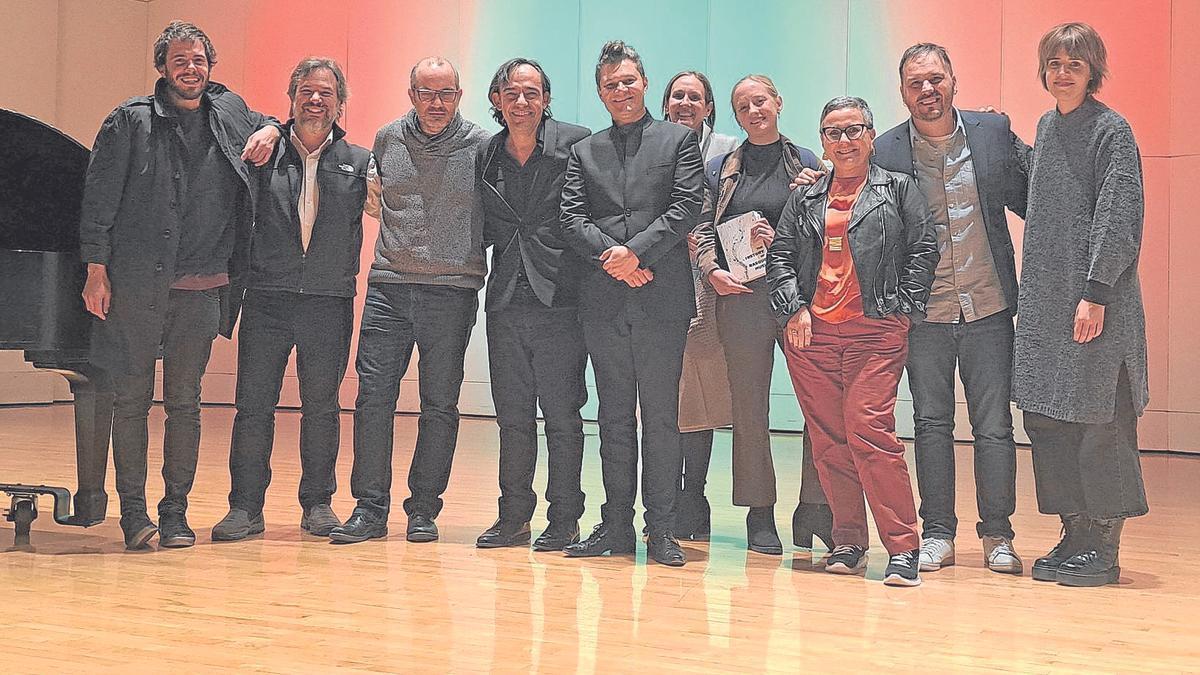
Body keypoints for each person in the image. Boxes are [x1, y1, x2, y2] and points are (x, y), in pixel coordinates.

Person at [79, 20, 281, 550]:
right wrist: (95, 271)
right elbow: (97, 203)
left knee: (186, 405)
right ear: (162, 68)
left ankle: (175, 513)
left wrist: (273, 129)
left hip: (204, 288)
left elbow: (270, 120)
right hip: (137, 286)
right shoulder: (130, 122)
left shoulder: (229, 111)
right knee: (130, 401)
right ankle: (134, 515)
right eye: (179, 61)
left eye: (198, 61)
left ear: (210, 66)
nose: (190, 70)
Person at [872, 43, 1030, 575]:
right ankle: (937, 531)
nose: (927, 90)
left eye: (935, 79)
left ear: (953, 81)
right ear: (903, 92)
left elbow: (1035, 199)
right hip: (925, 314)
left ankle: (998, 535)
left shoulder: (992, 133)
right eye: (915, 83)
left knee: (994, 427)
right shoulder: (887, 151)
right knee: (931, 422)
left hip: (988, 307)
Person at [767, 96, 938, 586]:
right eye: (833, 132)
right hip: (812, 338)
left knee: (869, 430)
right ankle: (848, 540)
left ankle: (904, 547)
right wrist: (793, 307)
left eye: (853, 130)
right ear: (822, 140)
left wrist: (902, 308)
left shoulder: (898, 189)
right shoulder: (806, 197)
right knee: (829, 440)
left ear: (870, 135)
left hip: (874, 334)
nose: (844, 140)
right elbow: (780, 255)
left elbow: (924, 248)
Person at [330, 57, 490, 544]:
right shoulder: (386, 138)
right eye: (426, 93)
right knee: (372, 399)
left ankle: (423, 509)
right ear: (411, 94)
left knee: (438, 404)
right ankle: (369, 509)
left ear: (460, 96)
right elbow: (378, 203)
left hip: (452, 291)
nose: (435, 103)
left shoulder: (483, 146)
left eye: (445, 94)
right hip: (388, 288)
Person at [211, 58, 371, 541]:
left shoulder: (360, 162)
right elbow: (223, 105)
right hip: (267, 298)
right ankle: (245, 507)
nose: (315, 100)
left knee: (321, 406)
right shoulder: (263, 154)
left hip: (328, 301)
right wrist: (268, 129)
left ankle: (319, 503)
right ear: (292, 98)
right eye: (305, 91)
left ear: (340, 102)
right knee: (252, 405)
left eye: (325, 92)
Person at [560, 41, 704, 566]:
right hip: (603, 302)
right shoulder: (584, 151)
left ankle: (661, 529)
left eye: (628, 81)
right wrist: (614, 258)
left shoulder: (678, 140)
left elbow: (686, 205)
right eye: (610, 85)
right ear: (600, 93)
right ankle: (616, 525)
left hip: (661, 298)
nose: (621, 91)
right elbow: (572, 218)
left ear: (645, 82)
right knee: (614, 417)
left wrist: (635, 253)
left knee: (661, 418)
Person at [1016, 22, 1148, 587]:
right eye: (1054, 63)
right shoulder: (1047, 127)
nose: (1062, 72)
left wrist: (1095, 293)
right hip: (1045, 307)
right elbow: (1043, 203)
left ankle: (1106, 546)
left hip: (1097, 305)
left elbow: (1118, 217)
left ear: (1093, 71)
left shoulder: (1111, 131)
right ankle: (1075, 534)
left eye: (1074, 63)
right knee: (1049, 420)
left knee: (1101, 423)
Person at [693, 75, 831, 555]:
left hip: (797, 301)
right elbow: (702, 229)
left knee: (818, 405)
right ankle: (759, 514)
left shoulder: (809, 163)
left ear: (778, 102)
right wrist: (712, 271)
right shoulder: (719, 169)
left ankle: (815, 508)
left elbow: (829, 234)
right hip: (742, 301)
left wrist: (798, 222)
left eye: (760, 101)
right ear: (734, 116)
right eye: (742, 106)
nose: (753, 111)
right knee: (750, 409)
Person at [474, 58, 591, 551]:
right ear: (497, 100)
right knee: (513, 415)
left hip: (562, 297)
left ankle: (565, 517)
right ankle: (514, 516)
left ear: (546, 98)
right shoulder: (487, 153)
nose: (522, 102)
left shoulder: (576, 143)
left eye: (532, 93)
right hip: (505, 298)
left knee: (563, 415)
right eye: (512, 93)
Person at [660, 70, 737, 541]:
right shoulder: (650, 143)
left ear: (709, 107)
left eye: (695, 97)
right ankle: (665, 495)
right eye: (678, 96)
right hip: (654, 284)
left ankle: (695, 495)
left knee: (701, 396)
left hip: (711, 290)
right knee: (665, 396)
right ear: (665, 103)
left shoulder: (729, 150)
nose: (686, 103)